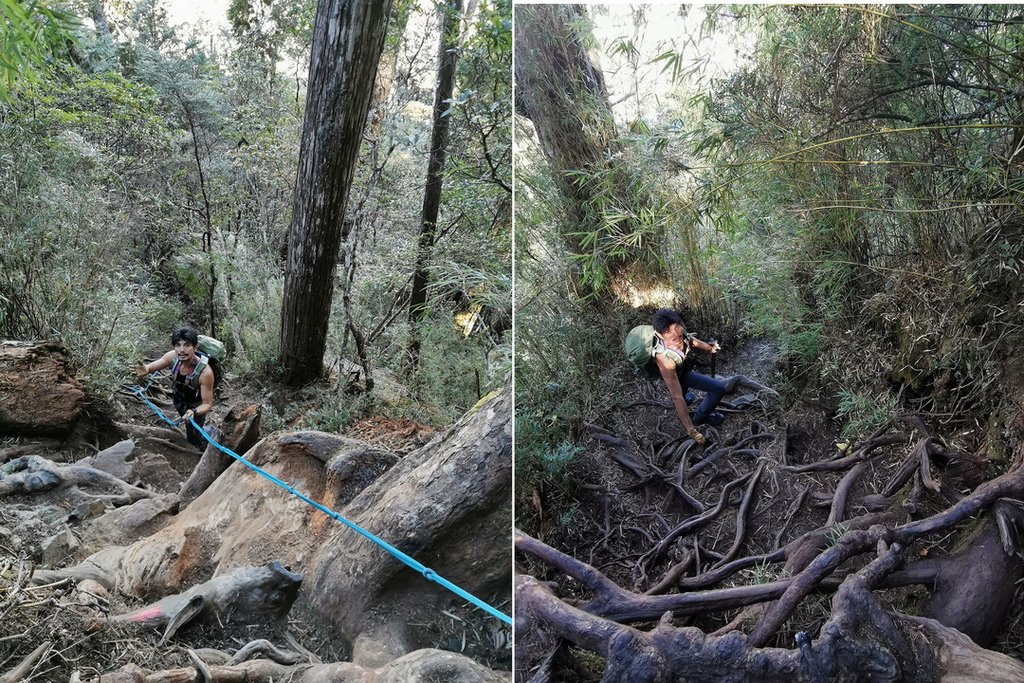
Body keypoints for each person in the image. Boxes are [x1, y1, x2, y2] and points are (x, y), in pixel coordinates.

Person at [626, 309, 726, 445]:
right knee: (718, 388)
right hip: (677, 374)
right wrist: (691, 430)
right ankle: (700, 417)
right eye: (668, 331)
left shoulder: (680, 333)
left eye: (677, 327)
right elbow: (675, 396)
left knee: (684, 391)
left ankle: (687, 399)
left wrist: (709, 347)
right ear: (660, 335)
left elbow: (690, 340)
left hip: (682, 368)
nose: (676, 333)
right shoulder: (665, 360)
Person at [137, 326, 214, 450]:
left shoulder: (205, 373)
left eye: (187, 345)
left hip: (196, 406)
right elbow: (155, 365)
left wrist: (193, 412)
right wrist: (146, 369)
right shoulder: (173, 357)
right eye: (178, 345)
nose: (181, 350)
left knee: (193, 434)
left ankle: (206, 439)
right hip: (179, 400)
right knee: (188, 426)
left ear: (195, 347)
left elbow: (207, 403)